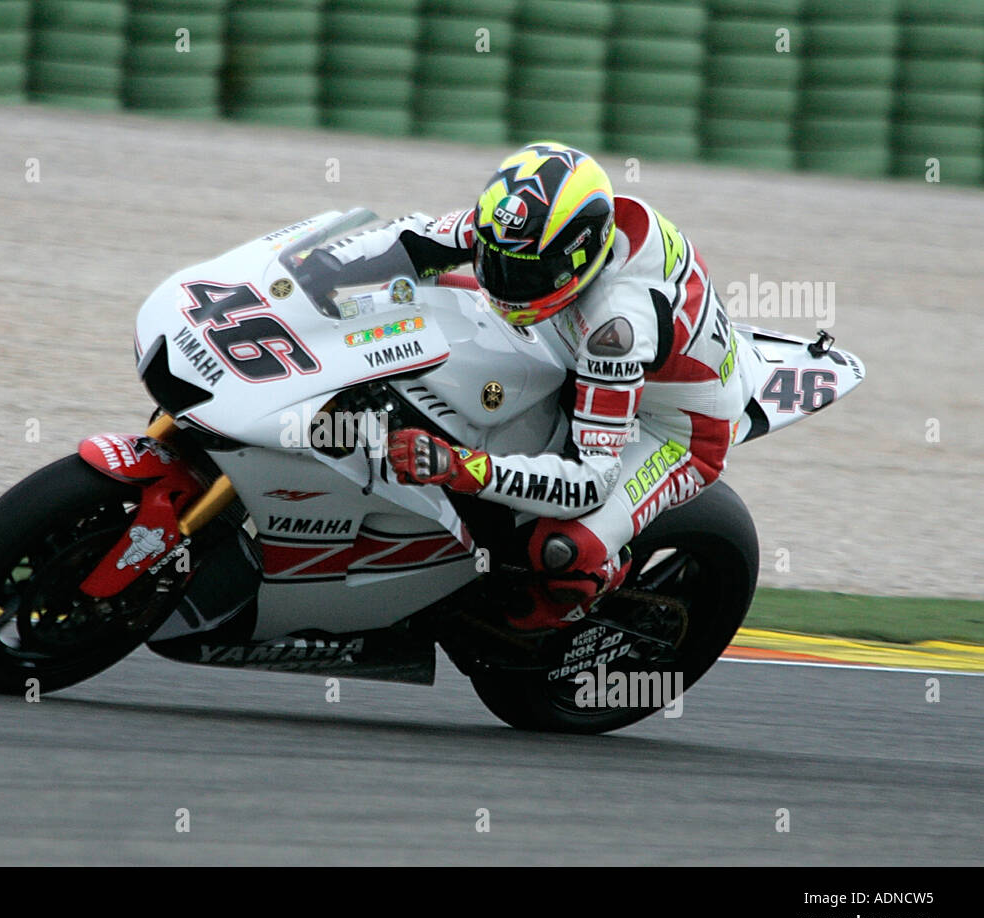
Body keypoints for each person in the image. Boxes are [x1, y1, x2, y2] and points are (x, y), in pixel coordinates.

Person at [309, 141, 761, 631]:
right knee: (409, 299)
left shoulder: (617, 328)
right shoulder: (533, 231)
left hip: (673, 427)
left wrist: (458, 467)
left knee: (561, 551)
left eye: (524, 271)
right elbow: (415, 238)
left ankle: (597, 583)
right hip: (568, 334)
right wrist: (317, 268)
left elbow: (591, 482)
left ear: (577, 256)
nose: (503, 280)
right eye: (495, 260)